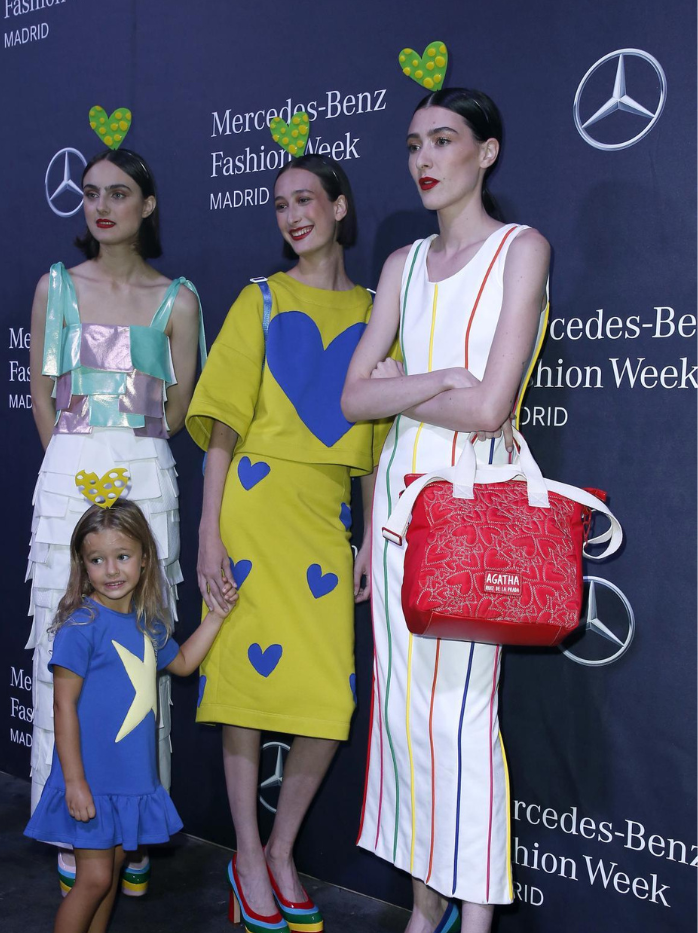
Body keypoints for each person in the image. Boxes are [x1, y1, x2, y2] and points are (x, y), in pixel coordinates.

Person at [341, 88, 550, 933]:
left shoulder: (521, 249)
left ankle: (470, 918)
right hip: (399, 511)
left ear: (486, 153)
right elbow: (355, 398)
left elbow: (492, 405)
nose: (424, 159)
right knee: (401, 713)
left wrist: (398, 387)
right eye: (413, 144)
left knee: (459, 718)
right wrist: (430, 381)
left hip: (474, 512)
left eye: (444, 140)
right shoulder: (398, 266)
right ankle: (424, 908)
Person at [186, 153, 388, 932]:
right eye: (280, 204)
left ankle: (281, 846)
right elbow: (221, 430)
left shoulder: (377, 308)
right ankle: (246, 853)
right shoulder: (260, 300)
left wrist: (369, 533)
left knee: (327, 697)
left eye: (306, 199)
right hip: (253, 510)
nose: (293, 214)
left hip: (326, 520)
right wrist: (209, 531)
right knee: (242, 685)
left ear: (339, 206)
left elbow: (373, 437)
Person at [28, 147, 205, 893]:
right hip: (70, 475)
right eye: (92, 193)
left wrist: (128, 466)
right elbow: (42, 392)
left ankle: (130, 825)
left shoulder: (181, 299)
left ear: (148, 204)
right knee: (62, 637)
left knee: (141, 655)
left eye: (120, 193)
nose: (102, 206)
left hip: (147, 472)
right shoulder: (56, 288)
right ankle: (74, 826)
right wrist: (73, 465)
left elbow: (183, 406)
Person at [25, 498, 236, 933]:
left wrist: (217, 616)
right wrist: (76, 781)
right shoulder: (81, 625)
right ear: (84, 567)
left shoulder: (148, 623)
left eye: (122, 556)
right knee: (94, 879)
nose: (112, 570)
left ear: (143, 560)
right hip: (93, 779)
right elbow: (63, 706)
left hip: (132, 779)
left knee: (112, 874)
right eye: (98, 560)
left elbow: (183, 664)